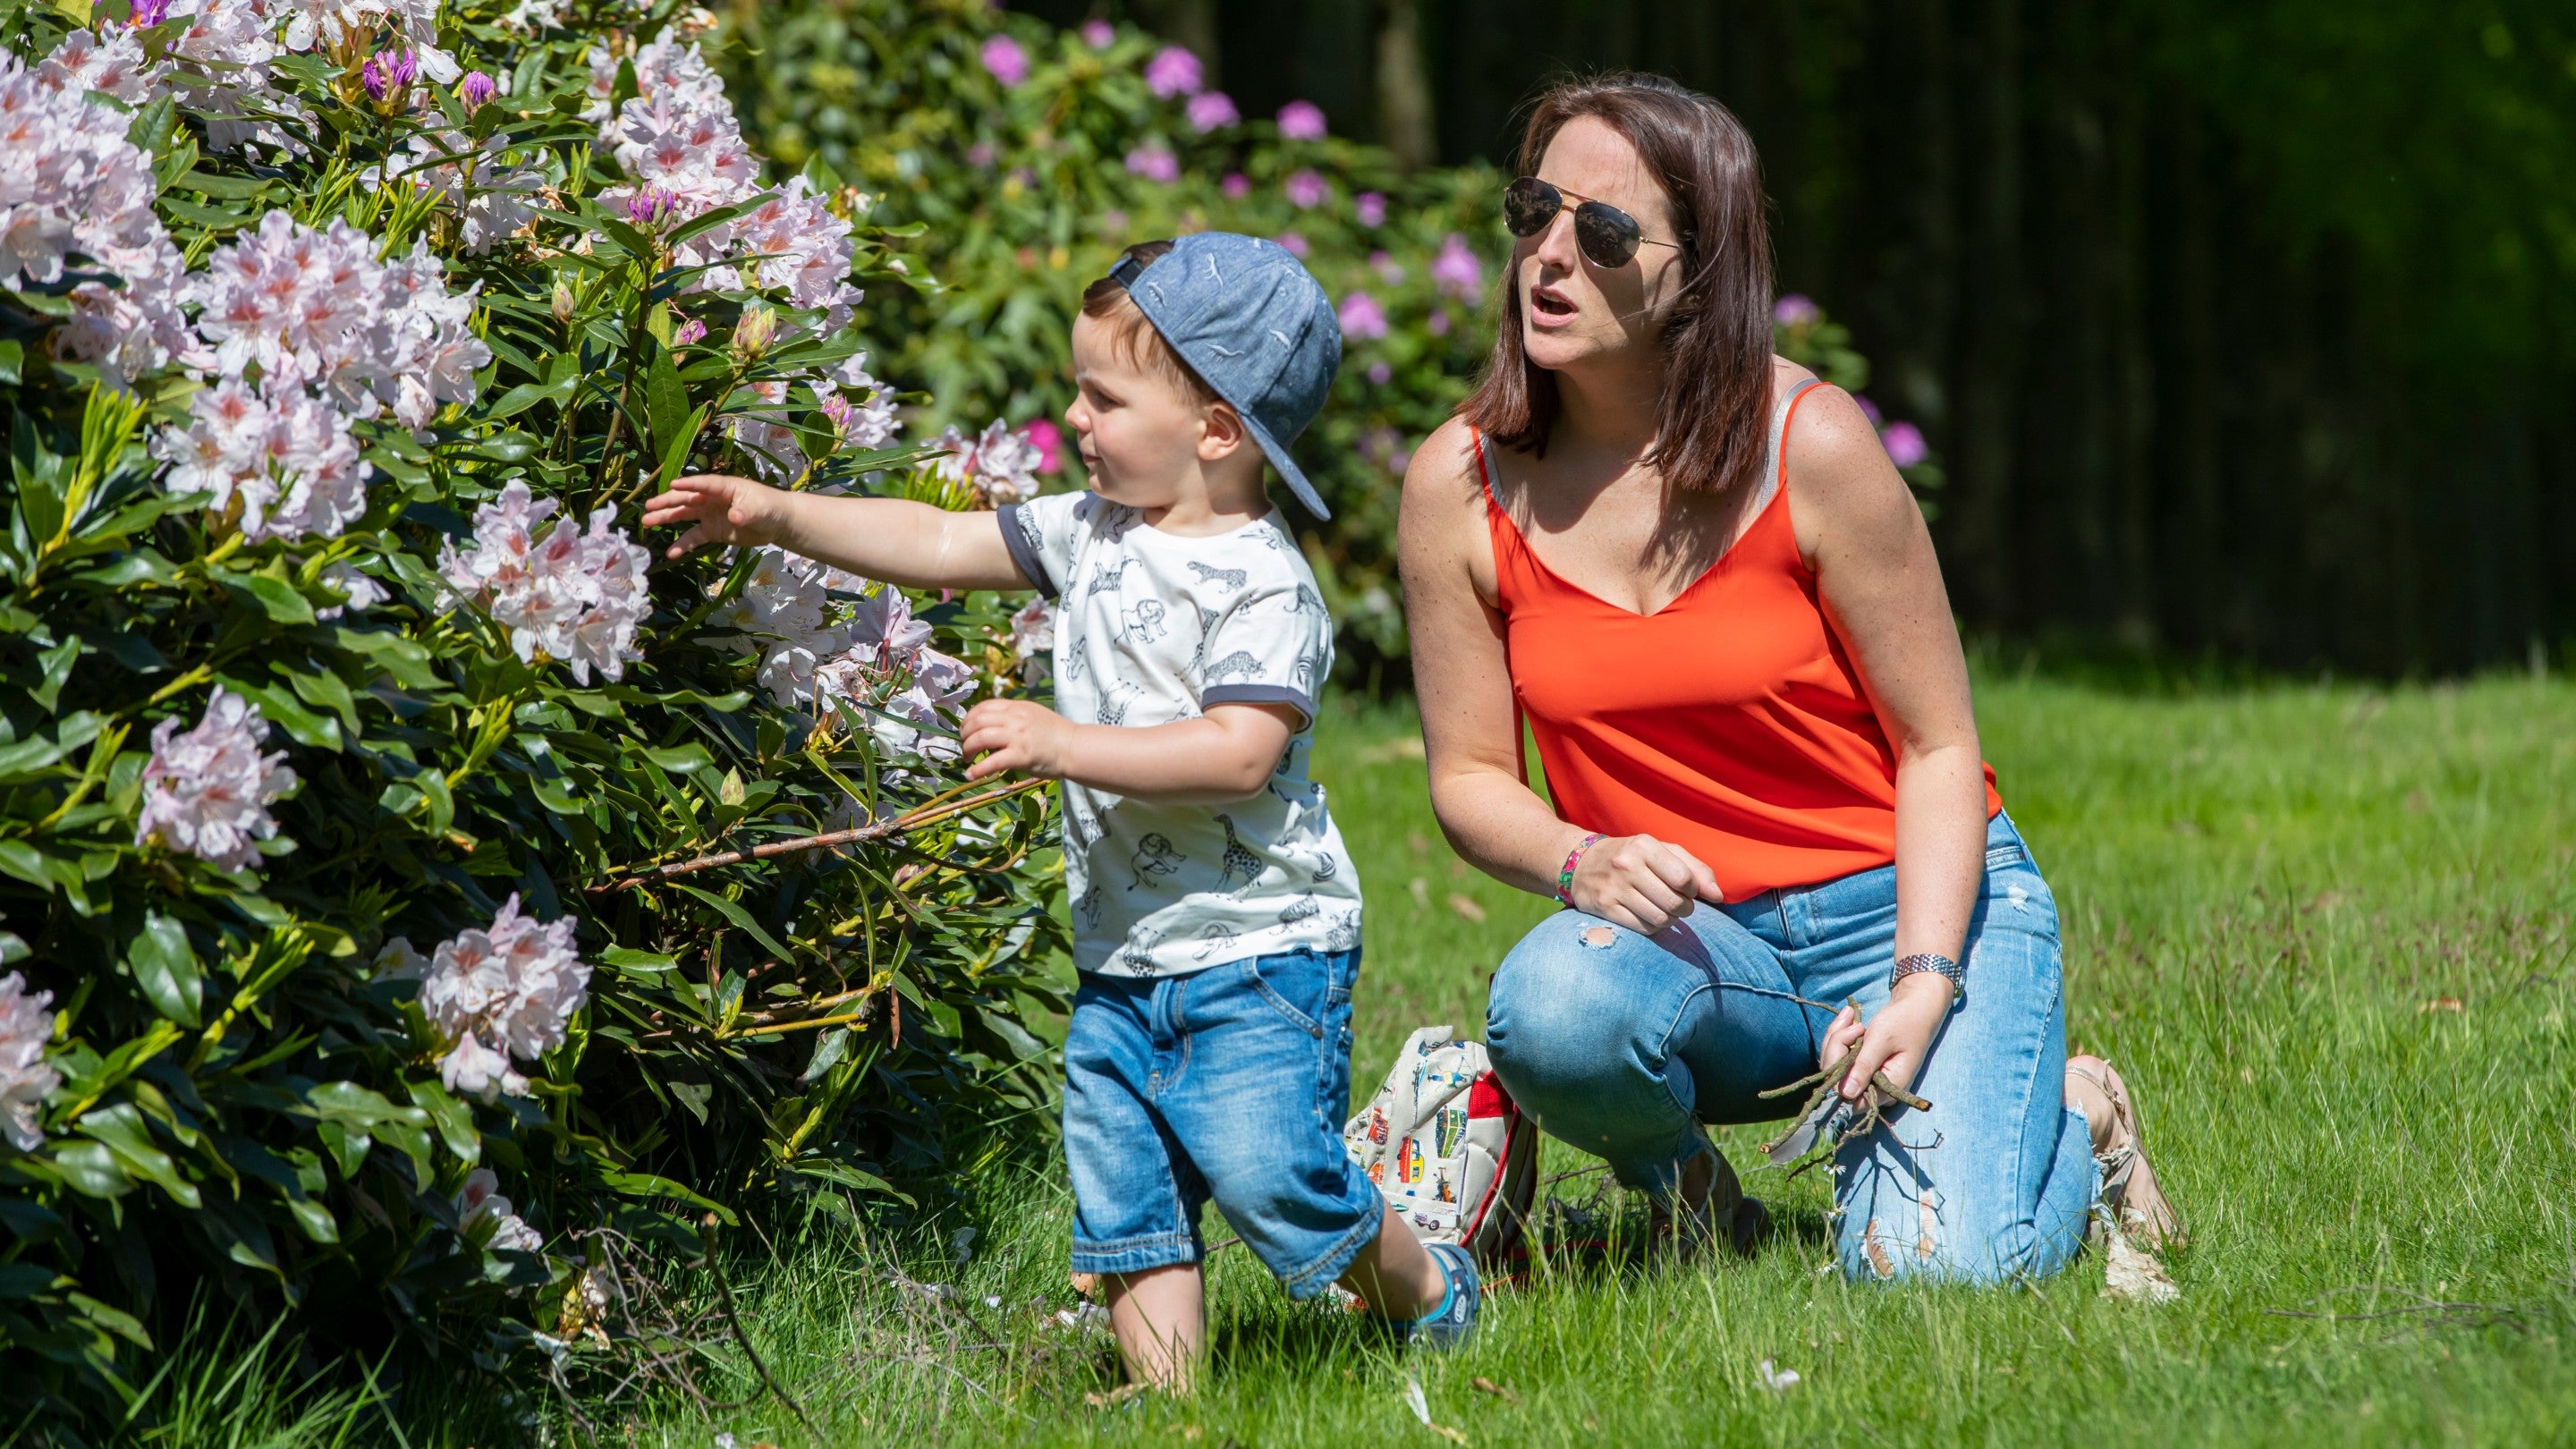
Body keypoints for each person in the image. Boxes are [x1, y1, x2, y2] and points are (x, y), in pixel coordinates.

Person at [645, 233, 1477, 1388]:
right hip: (1124, 952)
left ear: (1217, 429)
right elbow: (937, 541)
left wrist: (1064, 745)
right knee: (1125, 1183)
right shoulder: (1091, 534)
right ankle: (1170, 1396)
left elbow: (1240, 754)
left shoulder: (1263, 581)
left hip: (1259, 953)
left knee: (1270, 1173)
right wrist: (779, 513)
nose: (1075, 418)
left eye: (1103, 395)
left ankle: (1429, 1285)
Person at [1397, 73, 2181, 1282]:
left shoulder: (1809, 442)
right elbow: (1466, 778)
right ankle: (1701, 1207)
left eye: (1601, 232)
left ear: (1696, 272)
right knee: (1551, 1008)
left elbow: (1936, 749)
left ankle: (2080, 1122)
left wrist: (1926, 980)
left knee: (1931, 1273)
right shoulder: (1460, 481)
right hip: (1697, 945)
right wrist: (1578, 860)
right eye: (1533, 210)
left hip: (1908, 911)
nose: (1549, 255)